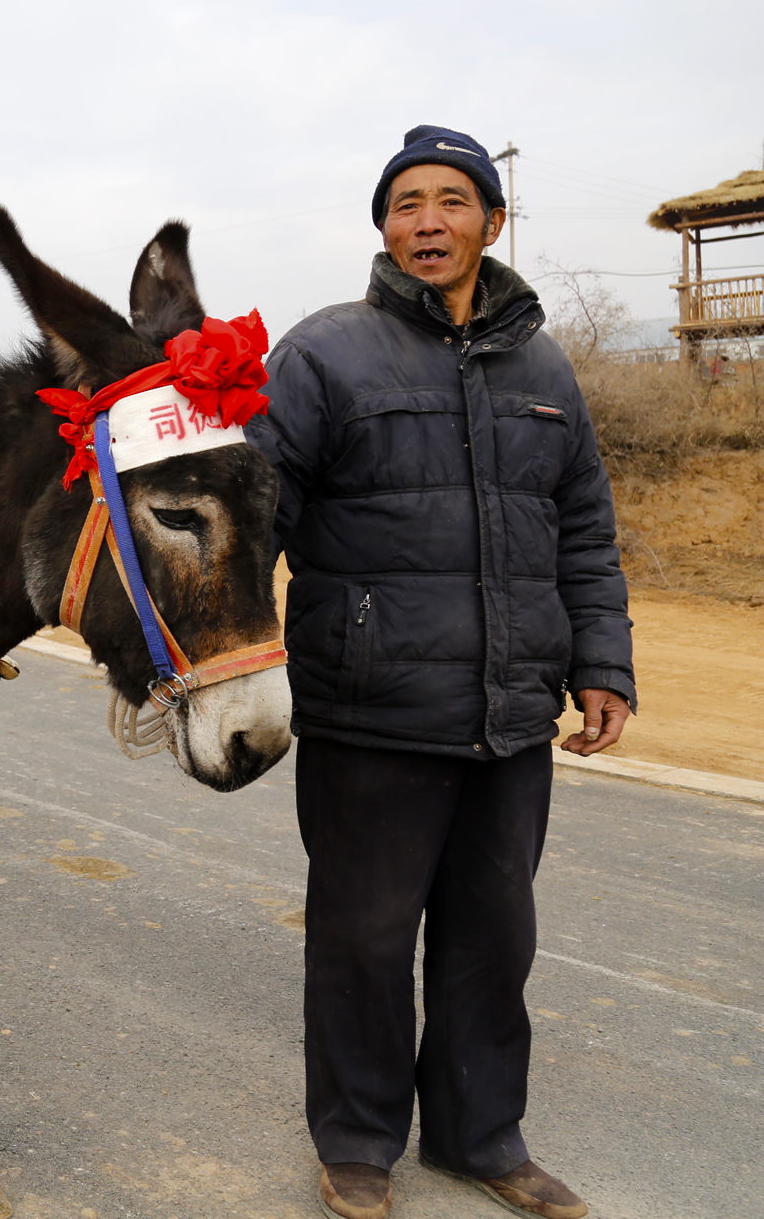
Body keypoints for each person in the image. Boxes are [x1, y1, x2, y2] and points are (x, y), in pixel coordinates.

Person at [246, 126, 633, 1219]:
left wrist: (600, 660)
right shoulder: (323, 352)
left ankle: (479, 1137)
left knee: (491, 936)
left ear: (490, 222)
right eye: (405, 202)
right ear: (381, 227)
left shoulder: (545, 367)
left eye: (451, 201)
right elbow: (254, 514)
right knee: (363, 937)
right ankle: (358, 1140)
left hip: (509, 708)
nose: (427, 220)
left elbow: (584, 532)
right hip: (369, 703)